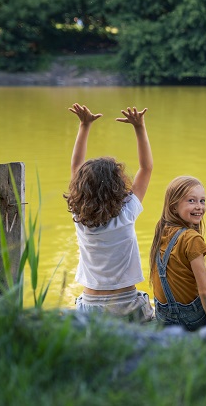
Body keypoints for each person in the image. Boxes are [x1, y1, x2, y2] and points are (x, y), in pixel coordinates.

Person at [65, 103, 154, 323]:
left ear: (80, 188)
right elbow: (146, 167)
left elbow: (76, 166)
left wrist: (84, 126)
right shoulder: (127, 212)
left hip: (90, 307)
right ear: (118, 186)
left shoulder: (80, 216)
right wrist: (139, 127)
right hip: (127, 305)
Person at [148, 176, 206, 331]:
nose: (199, 207)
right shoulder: (192, 239)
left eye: (202, 201)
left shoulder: (161, 230)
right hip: (191, 320)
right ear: (174, 207)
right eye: (191, 201)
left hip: (164, 318)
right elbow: (205, 291)